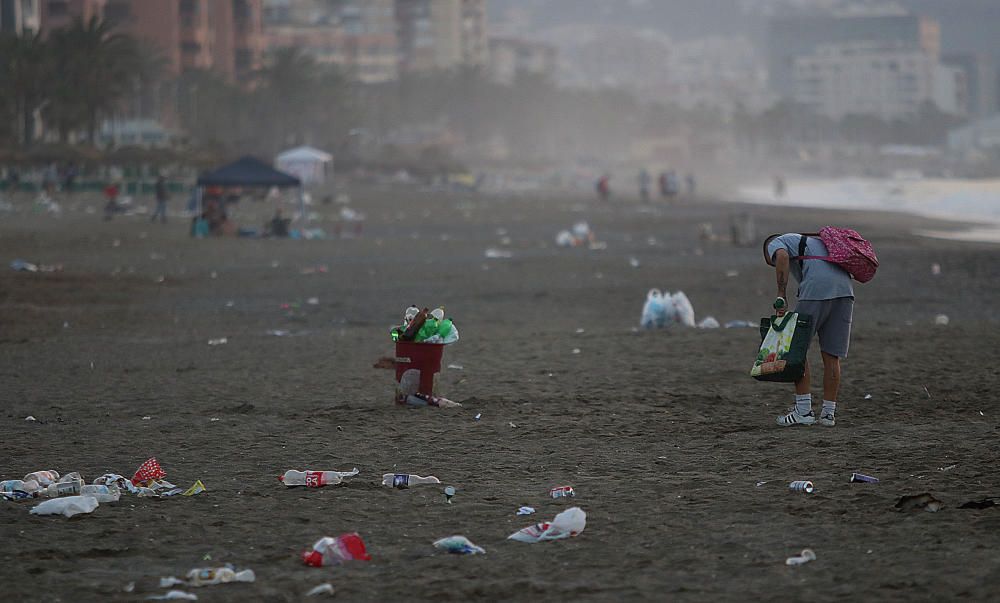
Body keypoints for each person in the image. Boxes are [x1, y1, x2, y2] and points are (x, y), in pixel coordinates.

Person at [763, 233, 855, 427]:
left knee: (796, 349)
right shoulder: (817, 241)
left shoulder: (776, 243)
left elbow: (781, 257)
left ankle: (803, 411)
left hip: (816, 288)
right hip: (845, 290)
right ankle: (828, 414)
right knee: (831, 355)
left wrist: (781, 294)